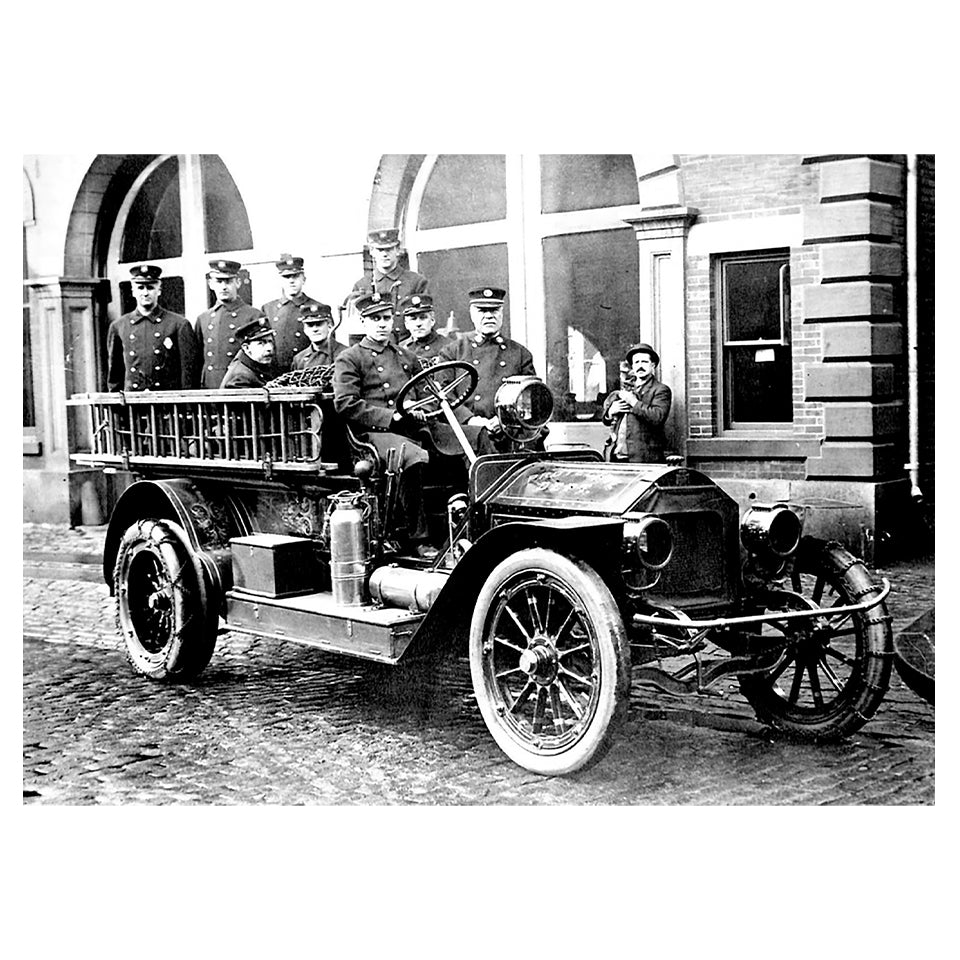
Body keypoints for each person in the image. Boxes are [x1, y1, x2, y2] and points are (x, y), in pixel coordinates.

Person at [333, 293, 432, 551]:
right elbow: (345, 403)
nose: (381, 324)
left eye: (386, 318)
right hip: (374, 434)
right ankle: (418, 539)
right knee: (410, 455)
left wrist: (423, 407)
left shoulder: (406, 355)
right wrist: (391, 416)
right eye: (375, 318)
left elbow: (426, 391)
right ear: (364, 322)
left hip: (413, 426)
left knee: (472, 438)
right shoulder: (351, 358)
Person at [439, 286, 537, 449]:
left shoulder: (520, 354)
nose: (489, 316)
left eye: (494, 310)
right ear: (471, 313)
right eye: (482, 311)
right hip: (467, 432)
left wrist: (504, 420)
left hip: (510, 430)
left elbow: (531, 398)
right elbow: (443, 396)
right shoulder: (452, 352)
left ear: (502, 313)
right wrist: (470, 419)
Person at [107, 264, 199, 391]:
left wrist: (187, 409)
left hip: (167, 404)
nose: (145, 293)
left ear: (159, 290)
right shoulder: (119, 326)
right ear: (133, 291)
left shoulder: (178, 324)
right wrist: (117, 408)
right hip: (133, 404)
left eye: (150, 288)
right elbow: (115, 374)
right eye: (140, 288)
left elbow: (188, 373)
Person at [196, 259, 264, 389]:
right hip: (210, 388)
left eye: (228, 281)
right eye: (219, 281)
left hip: (240, 387)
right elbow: (197, 362)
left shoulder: (254, 316)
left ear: (238, 283)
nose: (223, 287)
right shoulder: (203, 319)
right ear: (210, 284)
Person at [351, 228, 428, 342]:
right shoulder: (361, 285)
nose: (385, 254)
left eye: (389, 249)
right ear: (372, 251)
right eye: (380, 250)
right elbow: (355, 330)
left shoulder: (416, 281)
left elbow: (425, 320)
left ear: (397, 250)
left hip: (408, 348)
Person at [601, 342, 672, 463]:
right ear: (632, 367)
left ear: (653, 365)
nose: (640, 366)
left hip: (643, 458)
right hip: (616, 456)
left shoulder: (660, 390)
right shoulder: (626, 389)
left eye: (644, 362)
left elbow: (657, 417)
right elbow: (607, 421)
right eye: (636, 362)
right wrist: (611, 412)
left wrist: (633, 402)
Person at [260, 254, 325, 375]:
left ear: (304, 279)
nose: (291, 281)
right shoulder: (268, 309)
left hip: (306, 371)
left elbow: (327, 347)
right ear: (280, 280)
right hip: (275, 373)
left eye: (295, 276)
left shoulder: (317, 308)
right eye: (286, 277)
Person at [219, 318, 276, 388]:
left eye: (270, 341)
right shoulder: (240, 378)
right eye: (261, 343)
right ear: (246, 348)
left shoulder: (255, 366)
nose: (269, 348)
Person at [291, 301, 344, 372]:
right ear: (305, 329)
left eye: (319, 324)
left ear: (330, 326)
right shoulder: (299, 359)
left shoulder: (345, 354)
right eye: (310, 325)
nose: (315, 329)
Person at [398, 294, 451, 364]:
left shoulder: (449, 346)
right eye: (413, 319)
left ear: (432, 320)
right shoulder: (401, 349)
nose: (418, 324)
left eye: (423, 318)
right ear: (406, 324)